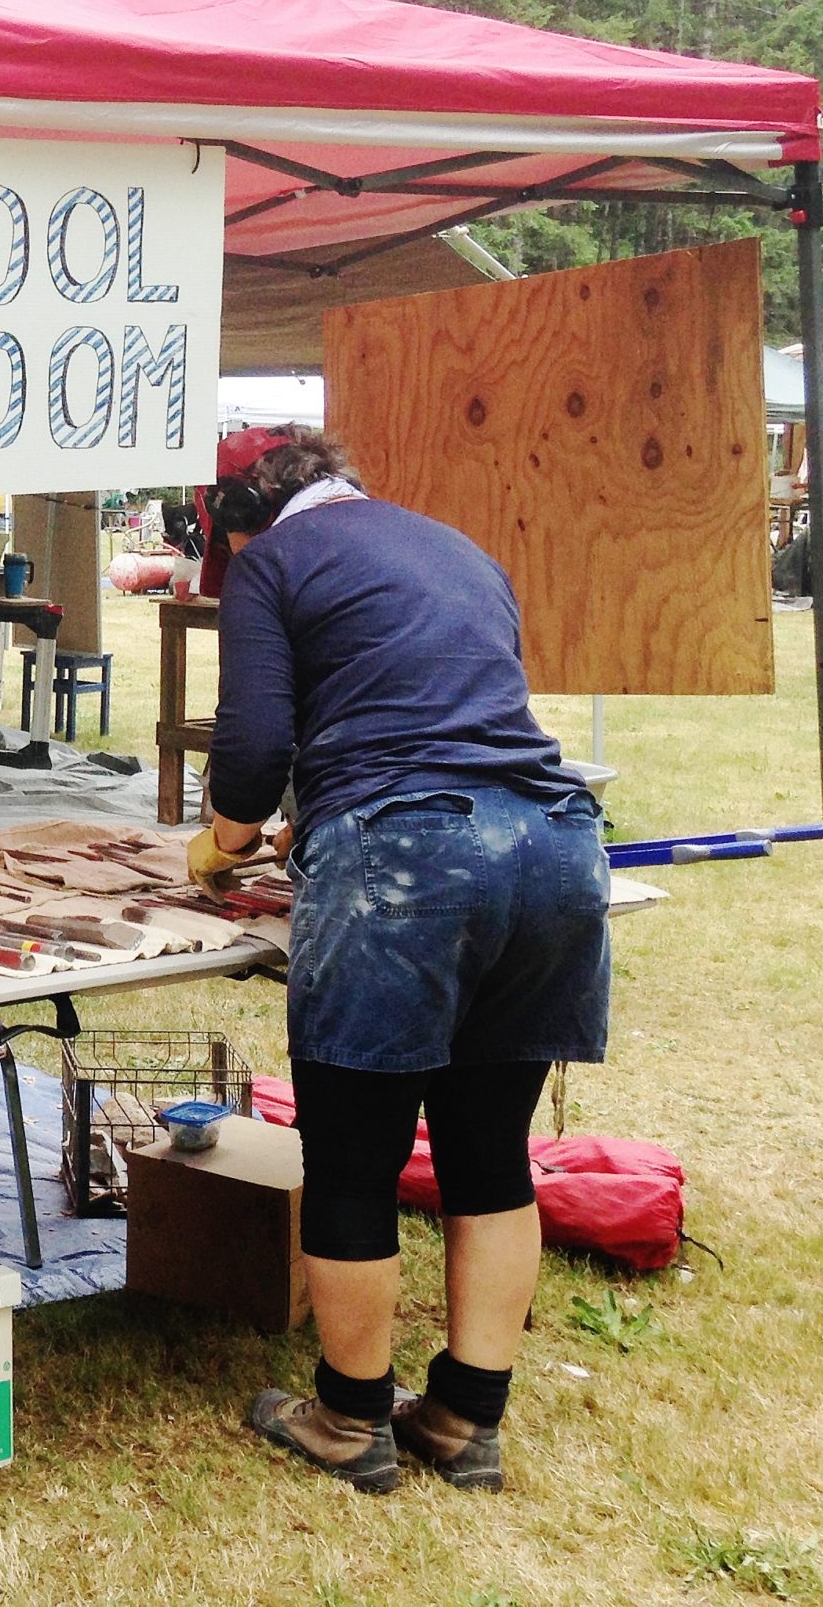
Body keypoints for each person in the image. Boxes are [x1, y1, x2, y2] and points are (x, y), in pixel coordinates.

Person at [190, 427, 610, 1496]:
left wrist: (222, 844)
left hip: (412, 852)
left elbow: (248, 755)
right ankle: (466, 1420)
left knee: (350, 1155)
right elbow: (439, 710)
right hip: (554, 843)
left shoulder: (271, 561)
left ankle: (347, 1417)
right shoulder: (454, 546)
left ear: (237, 523)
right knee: (487, 1154)